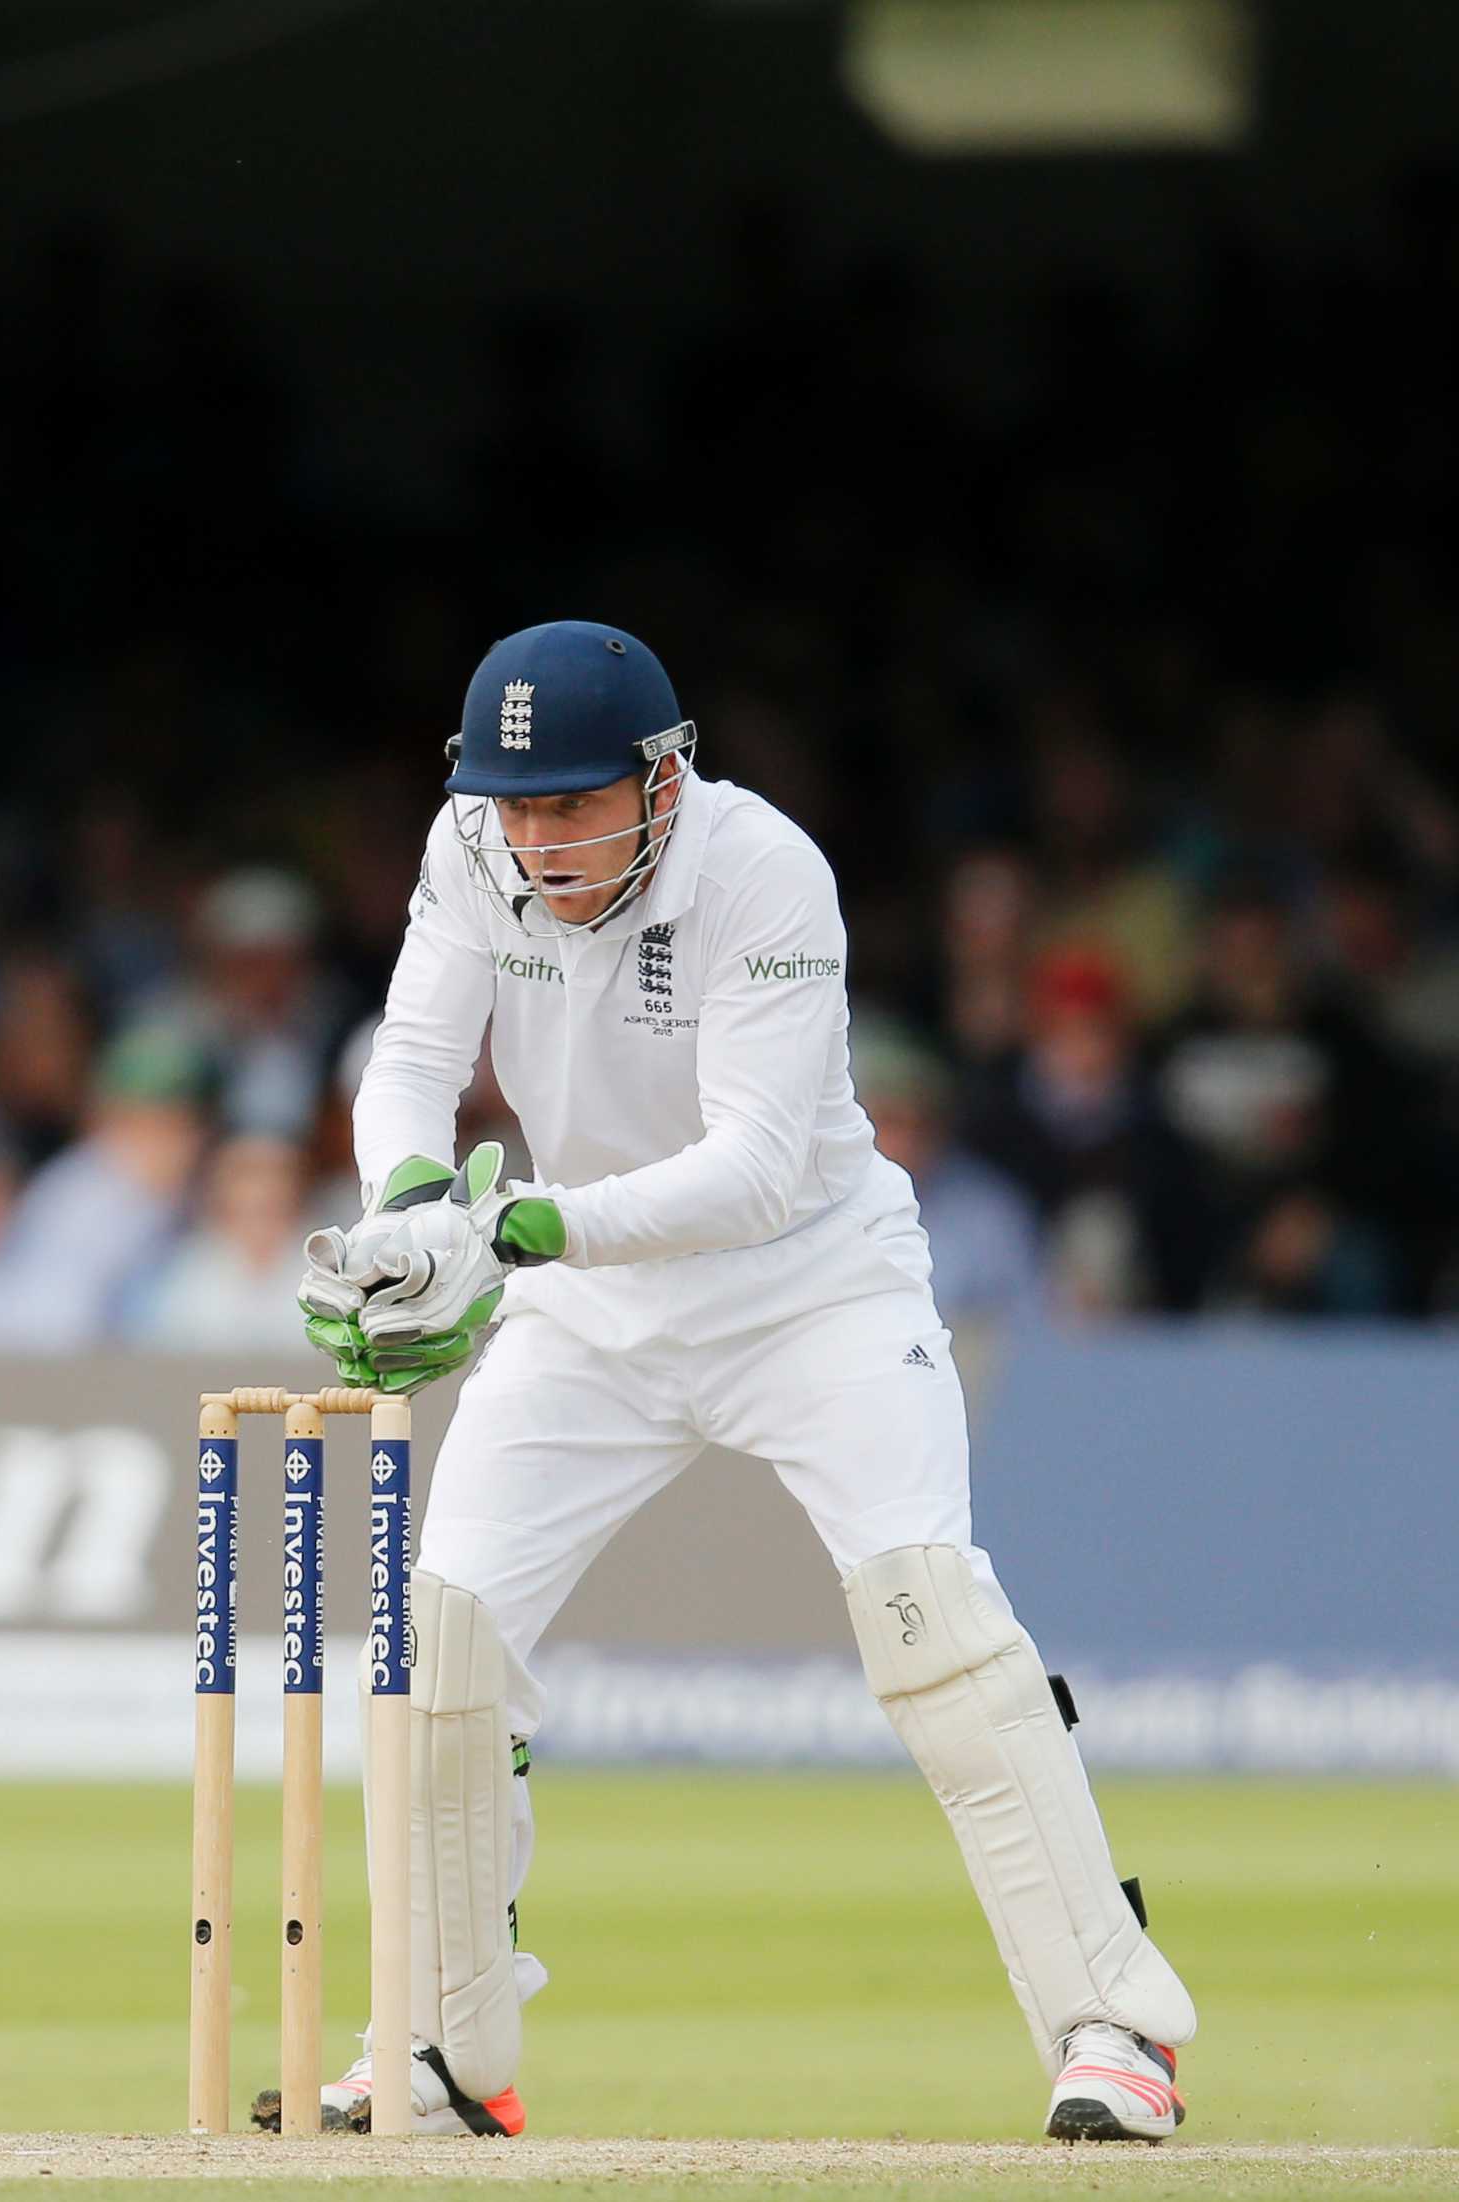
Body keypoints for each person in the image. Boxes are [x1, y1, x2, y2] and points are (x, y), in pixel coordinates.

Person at [295, 622, 1194, 2144]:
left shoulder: (764, 868)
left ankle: (1116, 2028)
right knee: (441, 1638)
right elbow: (412, 1054)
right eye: (513, 803)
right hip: (592, 1310)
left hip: (813, 1291)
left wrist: (507, 1230)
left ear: (663, 775)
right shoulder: (472, 846)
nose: (537, 838)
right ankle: (446, 2049)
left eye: (571, 802)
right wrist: (405, 1210)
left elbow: (757, 1170)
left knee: (931, 1616)